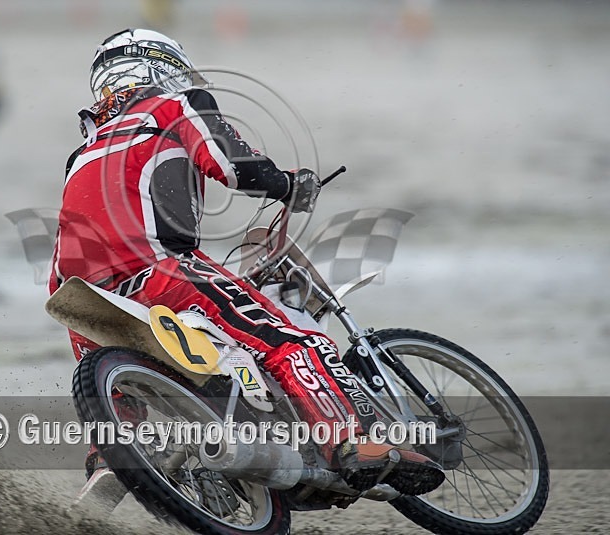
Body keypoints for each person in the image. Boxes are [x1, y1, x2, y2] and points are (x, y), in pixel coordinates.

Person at [50, 28, 444, 504]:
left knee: (127, 388)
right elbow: (232, 164)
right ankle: (351, 440)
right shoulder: (174, 106)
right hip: (161, 270)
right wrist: (288, 184)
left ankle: (106, 456)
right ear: (163, 67)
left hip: (79, 297)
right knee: (293, 342)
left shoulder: (82, 153)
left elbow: (71, 237)